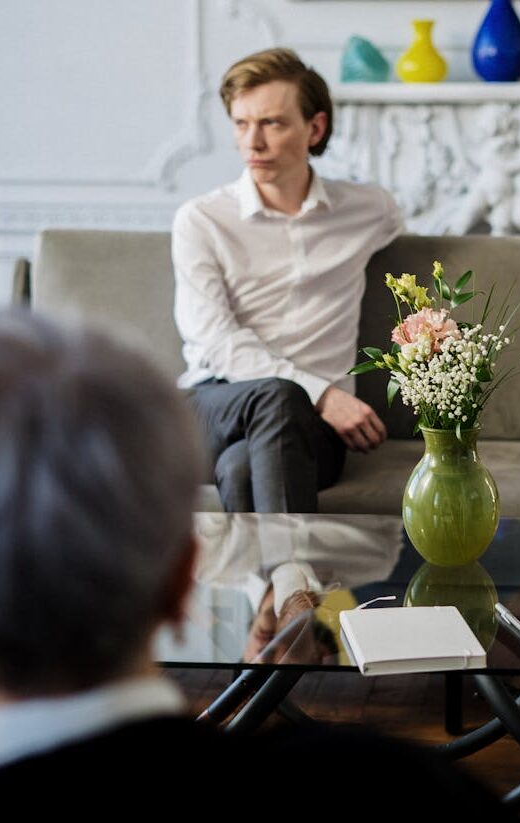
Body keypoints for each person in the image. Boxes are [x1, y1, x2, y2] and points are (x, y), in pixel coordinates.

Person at [0, 310, 520, 823]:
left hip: (295, 432)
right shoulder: (391, 793)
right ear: (182, 579)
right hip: (245, 405)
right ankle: (294, 593)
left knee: (242, 461)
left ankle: (291, 591)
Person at [173, 48, 402, 512]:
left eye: (272, 124)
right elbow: (214, 340)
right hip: (215, 403)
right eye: (241, 124)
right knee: (279, 395)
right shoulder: (201, 220)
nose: (252, 143)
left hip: (311, 431)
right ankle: (298, 586)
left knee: (242, 469)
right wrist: (321, 394)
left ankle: (279, 585)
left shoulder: (369, 210)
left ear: (314, 128)